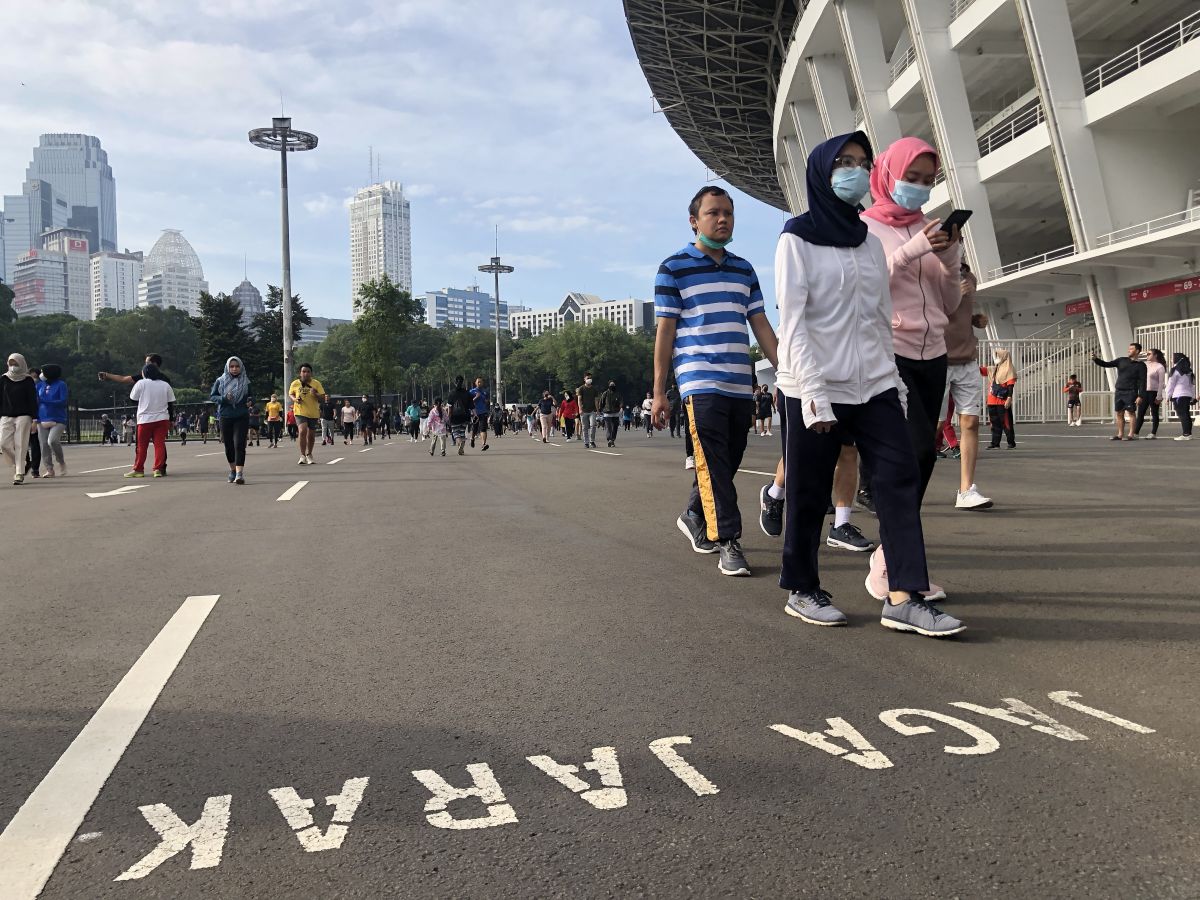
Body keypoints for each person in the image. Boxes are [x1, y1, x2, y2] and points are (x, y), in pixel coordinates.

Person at [773, 130, 963, 636]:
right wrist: (813, 395)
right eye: (844, 163)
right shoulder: (796, 238)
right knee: (809, 491)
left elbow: (879, 319)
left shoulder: (865, 241)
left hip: (875, 384)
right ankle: (803, 587)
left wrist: (893, 389)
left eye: (861, 162)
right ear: (821, 172)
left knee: (899, 482)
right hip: (814, 386)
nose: (855, 172)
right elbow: (794, 324)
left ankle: (904, 595)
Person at [653, 184, 779, 578]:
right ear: (694, 222)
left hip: (739, 381)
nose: (723, 219)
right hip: (698, 379)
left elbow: (761, 325)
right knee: (713, 460)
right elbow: (665, 333)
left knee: (727, 460)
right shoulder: (673, 268)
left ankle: (693, 512)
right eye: (713, 213)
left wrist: (787, 372)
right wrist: (659, 392)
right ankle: (728, 540)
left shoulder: (744, 269)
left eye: (728, 213)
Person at [860, 136, 963, 599]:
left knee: (925, 457)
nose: (919, 188)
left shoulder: (931, 227)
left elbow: (950, 300)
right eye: (911, 178)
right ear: (887, 174)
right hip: (891, 351)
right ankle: (894, 566)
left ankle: (887, 556)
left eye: (928, 180)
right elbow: (864, 286)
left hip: (933, 353)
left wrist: (948, 257)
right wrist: (912, 250)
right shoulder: (864, 229)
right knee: (911, 454)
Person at [944, 261, 992, 509]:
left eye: (961, 240)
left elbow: (958, 315)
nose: (958, 244)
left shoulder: (969, 277)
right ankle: (909, 487)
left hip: (967, 359)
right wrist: (952, 297)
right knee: (935, 427)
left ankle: (966, 489)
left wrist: (974, 319)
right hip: (937, 358)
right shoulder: (930, 269)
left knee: (970, 422)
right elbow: (919, 310)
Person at [126, 363, 175, 478]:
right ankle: (158, 469)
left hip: (145, 419)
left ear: (144, 373)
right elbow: (170, 403)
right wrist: (171, 419)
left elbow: (133, 399)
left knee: (142, 446)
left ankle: (138, 469)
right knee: (159, 445)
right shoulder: (165, 385)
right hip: (162, 419)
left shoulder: (141, 383)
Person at [1092, 342, 1146, 441]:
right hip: (1119, 391)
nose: (1129, 350)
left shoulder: (1141, 365)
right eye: (1129, 348)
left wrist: (1140, 395)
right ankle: (1120, 434)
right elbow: (1106, 364)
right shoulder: (1121, 360)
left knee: (1131, 413)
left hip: (1131, 392)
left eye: (1131, 349)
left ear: (1137, 351)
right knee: (1119, 413)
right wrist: (1096, 359)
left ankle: (1131, 435)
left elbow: (1143, 381)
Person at [210, 355, 251, 484]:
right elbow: (213, 396)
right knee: (228, 445)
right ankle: (232, 470)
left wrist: (250, 401)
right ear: (228, 367)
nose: (234, 369)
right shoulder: (220, 381)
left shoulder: (246, 381)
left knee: (239, 444)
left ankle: (239, 473)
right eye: (232, 366)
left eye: (237, 366)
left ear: (241, 367)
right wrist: (223, 399)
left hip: (241, 415)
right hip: (225, 415)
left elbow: (252, 396)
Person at [1, 353, 39, 485]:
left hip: (24, 415)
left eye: (16, 364)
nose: (13, 367)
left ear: (22, 364)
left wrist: (35, 419)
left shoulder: (28, 380)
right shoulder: (4, 379)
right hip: (6, 415)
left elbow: (32, 401)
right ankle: (20, 464)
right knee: (3, 444)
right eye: (11, 364)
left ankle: (19, 473)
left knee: (20, 444)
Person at [35, 363, 69, 478]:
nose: (41, 374)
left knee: (52, 441)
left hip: (58, 418)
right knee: (44, 444)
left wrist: (45, 401)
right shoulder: (39, 385)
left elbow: (63, 401)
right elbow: (35, 401)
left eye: (43, 372)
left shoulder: (61, 385)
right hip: (42, 418)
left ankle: (61, 462)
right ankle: (49, 469)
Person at [288, 363, 326, 464]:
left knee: (311, 435)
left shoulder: (316, 383)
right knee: (302, 430)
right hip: (300, 411)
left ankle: (309, 454)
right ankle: (302, 455)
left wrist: (316, 394)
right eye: (304, 371)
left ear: (311, 373)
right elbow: (291, 394)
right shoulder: (295, 383)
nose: (306, 374)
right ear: (300, 373)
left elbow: (323, 397)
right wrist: (295, 399)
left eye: (308, 372)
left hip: (313, 412)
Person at [986, 348, 1017, 450]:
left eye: (998, 356)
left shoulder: (1009, 369)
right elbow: (983, 370)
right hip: (991, 400)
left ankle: (1011, 442)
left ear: (1004, 357)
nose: (997, 358)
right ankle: (995, 443)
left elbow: (1010, 386)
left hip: (1002, 401)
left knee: (1006, 422)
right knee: (994, 423)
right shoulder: (994, 368)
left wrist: (1009, 398)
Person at [1133, 348, 1166, 439]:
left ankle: (1153, 433)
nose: (1147, 355)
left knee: (1154, 413)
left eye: (1149, 354)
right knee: (1140, 413)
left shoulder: (1159, 366)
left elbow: (1161, 383)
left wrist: (1159, 396)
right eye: (1147, 354)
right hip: (1144, 392)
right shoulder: (1144, 365)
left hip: (1154, 392)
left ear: (1155, 355)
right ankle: (1135, 433)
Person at [1166, 353, 1195, 440]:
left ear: (1177, 359)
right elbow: (1192, 385)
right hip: (1187, 395)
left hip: (1178, 395)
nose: (1171, 359)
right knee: (1186, 414)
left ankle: (1186, 434)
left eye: (1172, 358)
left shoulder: (1175, 370)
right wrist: (1192, 397)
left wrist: (1167, 396)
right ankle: (1188, 433)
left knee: (1182, 414)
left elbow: (1171, 384)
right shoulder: (1189, 371)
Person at [448, 376, 473, 455]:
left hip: (455, 416)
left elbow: (450, 407)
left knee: (455, 432)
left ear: (455, 382)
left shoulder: (451, 393)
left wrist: (449, 417)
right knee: (462, 432)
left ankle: (459, 444)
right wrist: (475, 415)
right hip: (465, 415)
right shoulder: (467, 393)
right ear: (462, 383)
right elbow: (471, 406)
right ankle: (462, 448)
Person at [598, 381, 623, 447]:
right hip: (607, 413)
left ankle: (612, 440)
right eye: (611, 384)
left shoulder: (618, 394)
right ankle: (610, 440)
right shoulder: (605, 393)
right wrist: (600, 410)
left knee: (615, 427)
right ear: (609, 385)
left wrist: (621, 407)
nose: (612, 385)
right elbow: (601, 402)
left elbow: (621, 401)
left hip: (615, 413)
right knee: (609, 428)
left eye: (613, 384)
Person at [469, 378, 491, 451]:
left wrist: (486, 401)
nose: (479, 383)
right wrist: (476, 397)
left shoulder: (485, 392)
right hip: (475, 413)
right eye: (478, 382)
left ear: (483, 383)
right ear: (475, 383)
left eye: (481, 382)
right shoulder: (472, 391)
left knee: (483, 429)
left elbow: (487, 401)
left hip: (483, 412)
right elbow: (469, 402)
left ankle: (483, 444)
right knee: (474, 428)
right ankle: (472, 438)